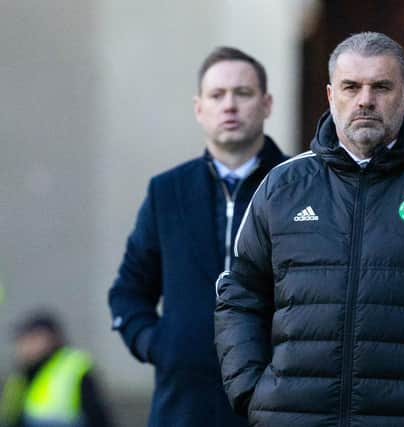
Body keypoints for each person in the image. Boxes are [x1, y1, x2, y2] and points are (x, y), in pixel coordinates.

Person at [215, 32, 404, 426]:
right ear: (331, 95)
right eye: (351, 87)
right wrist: (250, 392)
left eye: (381, 86)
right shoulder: (283, 187)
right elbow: (239, 295)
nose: (365, 100)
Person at [108, 47, 287, 427]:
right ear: (199, 108)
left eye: (243, 93)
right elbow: (127, 290)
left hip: (276, 403)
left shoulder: (298, 186)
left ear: (267, 103)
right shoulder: (167, 191)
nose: (230, 106)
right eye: (217, 95)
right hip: (182, 406)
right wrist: (160, 345)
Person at [0, 311, 114, 427]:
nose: (23, 346)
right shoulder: (21, 374)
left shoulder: (72, 366)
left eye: (30, 339)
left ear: (48, 339)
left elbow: (98, 416)